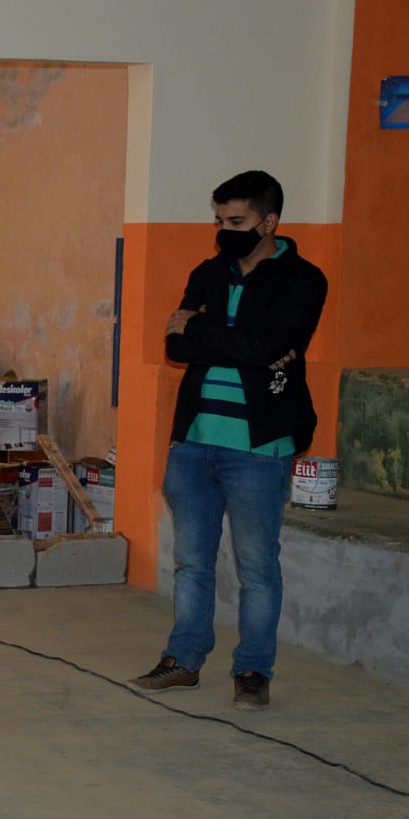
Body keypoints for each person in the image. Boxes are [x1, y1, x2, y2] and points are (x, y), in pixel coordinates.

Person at [130, 170, 327, 711]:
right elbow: (177, 348)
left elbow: (264, 346)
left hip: (259, 450)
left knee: (257, 568)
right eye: (219, 220)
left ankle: (253, 672)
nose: (225, 231)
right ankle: (183, 661)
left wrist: (200, 330)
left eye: (237, 221)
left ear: (269, 221)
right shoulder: (207, 273)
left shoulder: (303, 280)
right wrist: (235, 343)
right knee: (191, 563)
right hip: (193, 444)